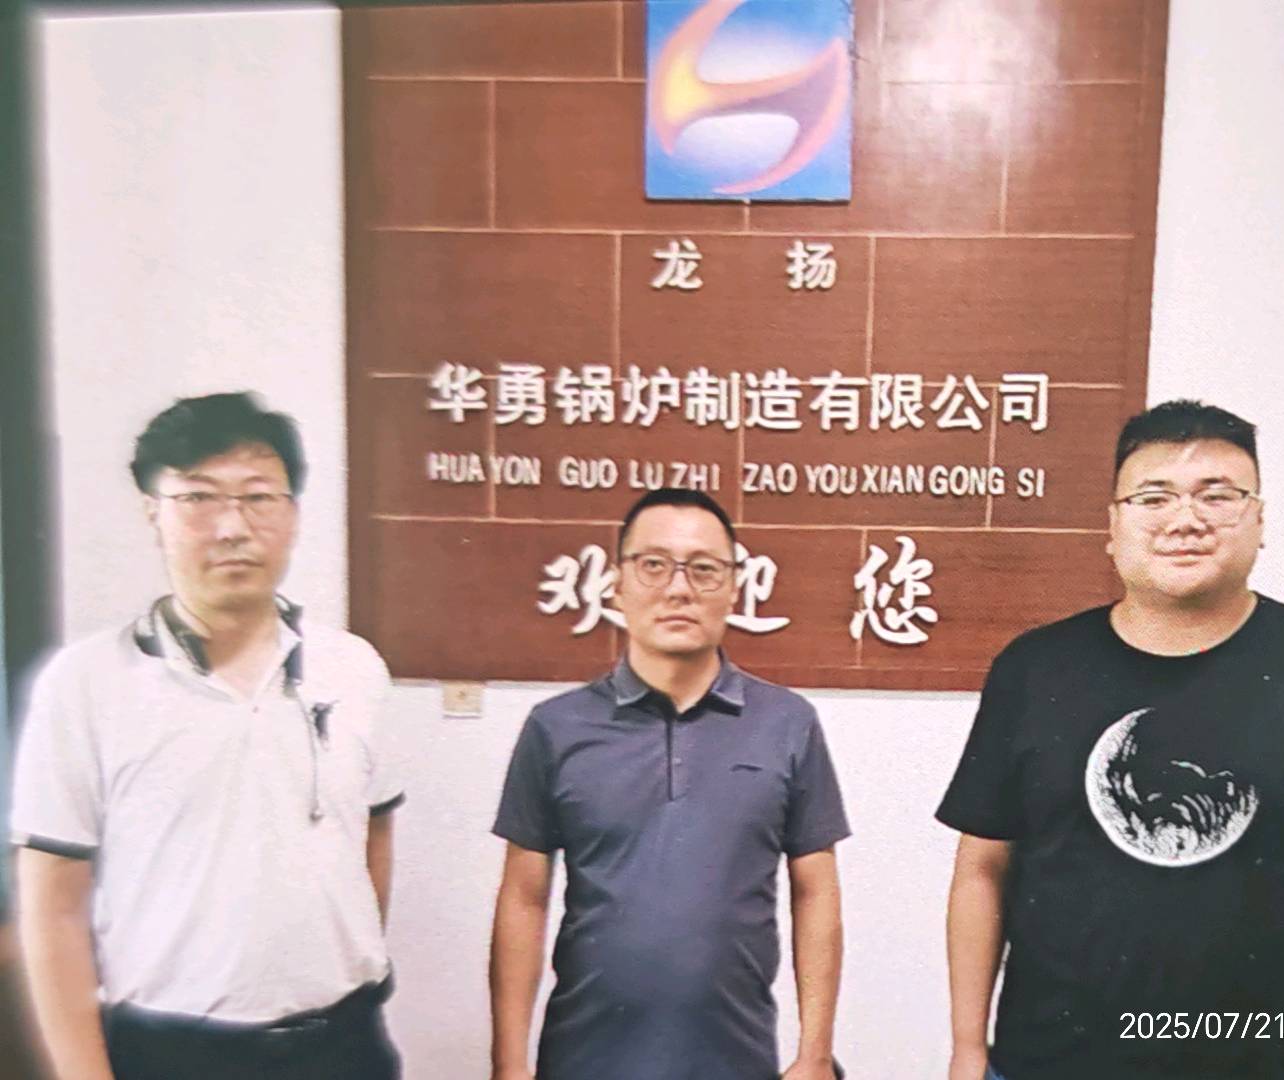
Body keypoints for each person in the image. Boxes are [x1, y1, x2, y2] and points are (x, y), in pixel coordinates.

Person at [938, 400, 1284, 1080]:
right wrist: (968, 1050)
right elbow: (982, 869)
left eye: (1218, 496)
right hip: (1044, 1063)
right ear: (1112, 526)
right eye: (1153, 497)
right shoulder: (1035, 668)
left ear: (1259, 521)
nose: (1185, 520)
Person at [10, 392, 404, 1080]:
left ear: (293, 513)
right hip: (170, 1053)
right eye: (197, 498)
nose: (232, 527)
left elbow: (370, 839)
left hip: (344, 1046)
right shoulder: (85, 684)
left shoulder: (354, 668)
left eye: (258, 497)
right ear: (152, 511)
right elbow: (53, 908)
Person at [489, 487, 850, 1080]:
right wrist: (508, 1063)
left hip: (735, 1059)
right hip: (583, 1059)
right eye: (653, 565)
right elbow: (523, 898)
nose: (679, 589)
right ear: (617, 583)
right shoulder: (556, 728)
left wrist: (814, 1054)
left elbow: (816, 891)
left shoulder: (787, 724)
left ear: (734, 587)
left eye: (704, 569)